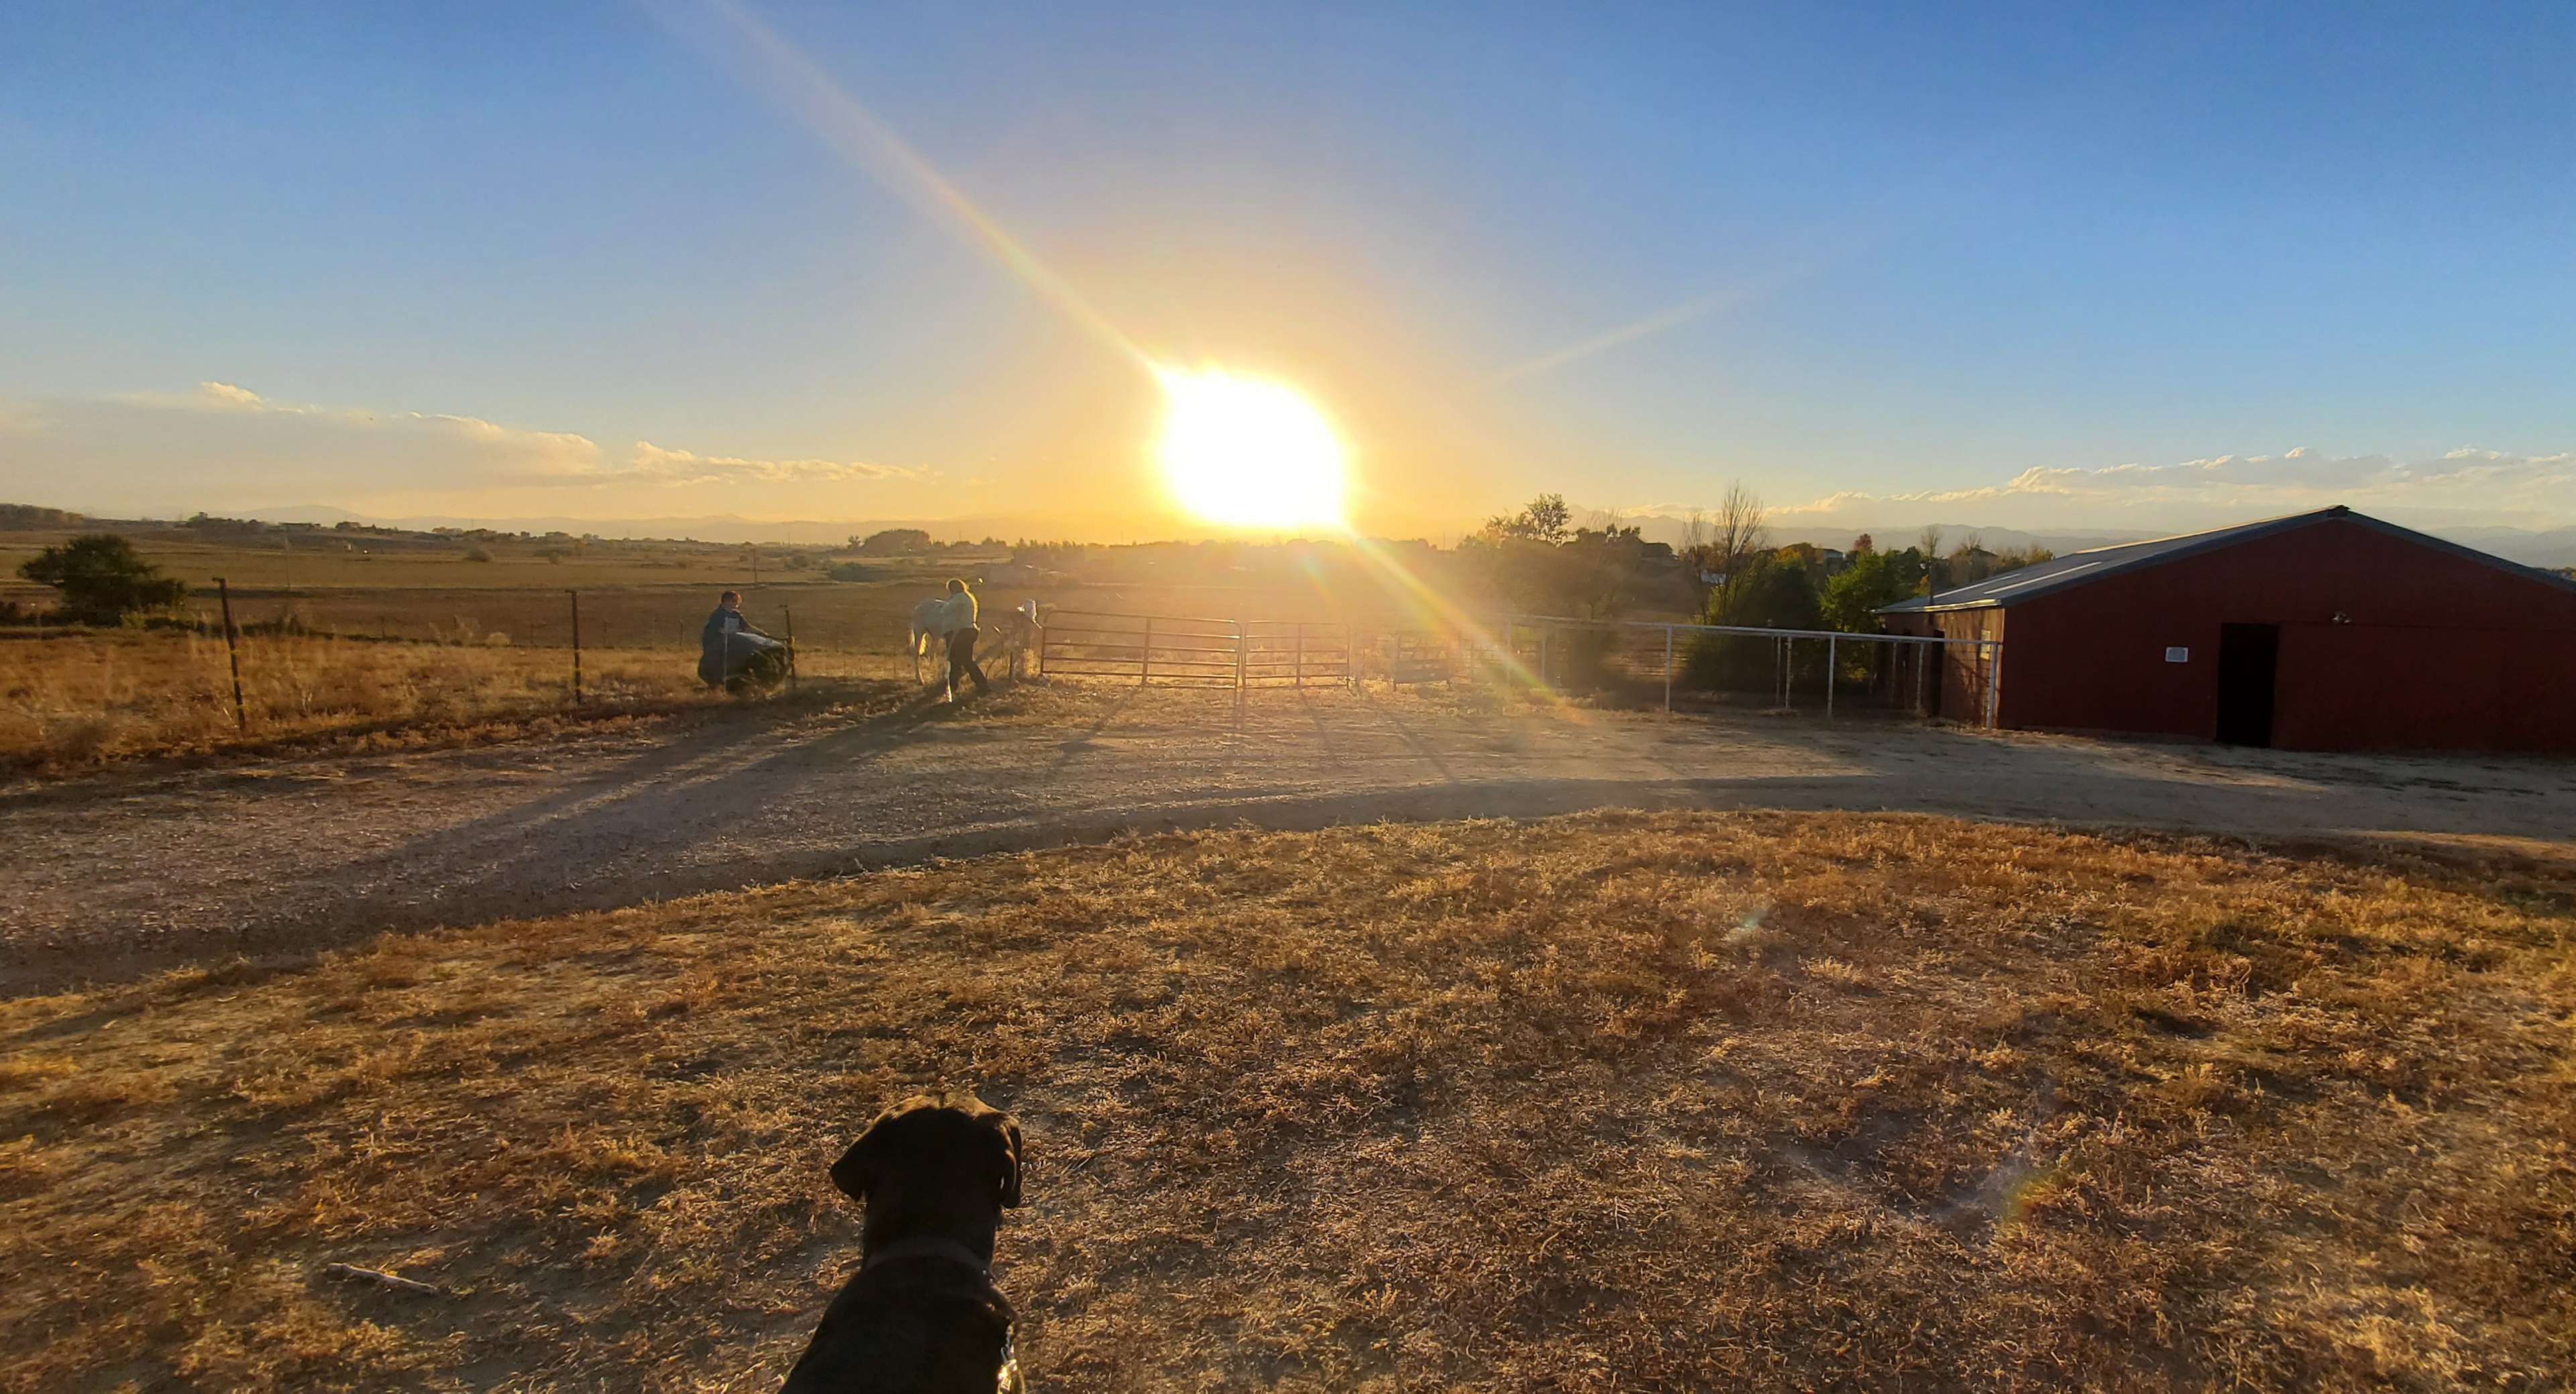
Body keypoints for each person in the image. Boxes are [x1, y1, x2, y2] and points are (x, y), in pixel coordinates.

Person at [698, 590, 781, 688]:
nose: (737, 603)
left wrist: (762, 634)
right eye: (735, 600)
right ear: (726, 601)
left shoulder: (736, 615)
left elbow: (747, 627)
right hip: (718, 646)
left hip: (733, 643)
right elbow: (718, 630)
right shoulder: (718, 614)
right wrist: (734, 633)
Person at [938, 578, 990, 701]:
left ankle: (982, 686)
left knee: (961, 661)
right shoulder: (968, 598)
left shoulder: (957, 599)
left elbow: (945, 611)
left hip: (960, 633)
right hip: (969, 631)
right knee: (960, 661)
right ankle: (954, 687)